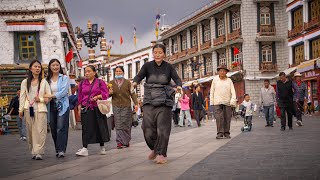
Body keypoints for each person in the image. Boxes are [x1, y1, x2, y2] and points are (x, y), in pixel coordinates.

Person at [132, 44, 182, 164]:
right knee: (147, 129)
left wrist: (179, 86)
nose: (158, 55)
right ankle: (155, 148)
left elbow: (177, 78)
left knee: (162, 129)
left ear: (164, 54)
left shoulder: (169, 67)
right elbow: (139, 76)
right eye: (155, 52)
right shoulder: (147, 66)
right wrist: (134, 83)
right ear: (153, 53)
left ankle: (161, 153)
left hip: (164, 101)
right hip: (149, 100)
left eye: (160, 52)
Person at [19, 60, 51, 160]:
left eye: (39, 67)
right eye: (35, 66)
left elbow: (49, 96)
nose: (37, 68)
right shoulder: (25, 82)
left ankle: (39, 152)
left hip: (41, 109)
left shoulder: (44, 81)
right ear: (30, 69)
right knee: (30, 131)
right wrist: (20, 110)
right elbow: (22, 96)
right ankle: (33, 150)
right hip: (28, 109)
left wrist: (40, 99)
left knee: (40, 131)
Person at [76, 65, 110, 156]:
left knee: (100, 126)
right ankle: (85, 148)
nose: (87, 73)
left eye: (89, 71)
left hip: (97, 107)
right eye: (85, 71)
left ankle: (102, 147)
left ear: (94, 72)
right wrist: (79, 108)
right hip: (86, 108)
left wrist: (98, 96)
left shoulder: (100, 82)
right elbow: (80, 96)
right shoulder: (82, 83)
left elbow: (106, 94)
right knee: (86, 128)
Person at [45, 59, 70, 158]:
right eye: (53, 65)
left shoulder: (64, 78)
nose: (55, 67)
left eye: (57, 65)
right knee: (53, 128)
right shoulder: (46, 80)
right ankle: (57, 148)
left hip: (62, 105)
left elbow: (64, 91)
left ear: (60, 66)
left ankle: (61, 150)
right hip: (50, 105)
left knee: (61, 128)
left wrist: (52, 96)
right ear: (50, 67)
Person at [109, 66, 138, 149]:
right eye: (117, 71)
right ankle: (119, 142)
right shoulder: (111, 83)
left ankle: (126, 141)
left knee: (126, 124)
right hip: (116, 106)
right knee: (118, 124)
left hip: (126, 106)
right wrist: (109, 93)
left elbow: (132, 93)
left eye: (120, 71)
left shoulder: (128, 83)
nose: (118, 73)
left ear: (123, 72)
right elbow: (107, 95)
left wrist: (136, 103)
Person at [210, 64, 236, 139]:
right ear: (218, 72)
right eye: (220, 71)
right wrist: (212, 102)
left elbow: (233, 91)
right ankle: (220, 133)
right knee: (219, 118)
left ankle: (226, 133)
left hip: (227, 102)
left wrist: (233, 100)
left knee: (227, 117)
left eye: (224, 71)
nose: (222, 72)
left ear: (226, 72)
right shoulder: (215, 80)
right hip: (217, 102)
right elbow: (212, 91)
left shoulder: (229, 80)